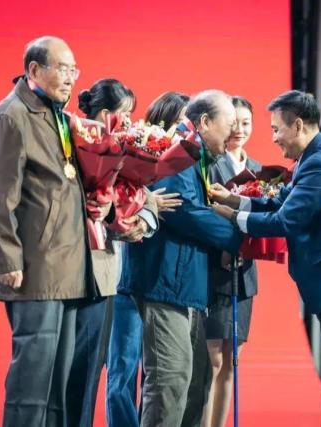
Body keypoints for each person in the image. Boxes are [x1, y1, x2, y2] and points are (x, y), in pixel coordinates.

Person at [210, 90, 321, 427]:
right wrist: (236, 201)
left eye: (276, 129)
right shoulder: (314, 158)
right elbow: (280, 202)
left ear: (297, 125)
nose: (273, 138)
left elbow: (285, 221)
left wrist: (233, 217)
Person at [0, 36, 109, 427]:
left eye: (74, 70)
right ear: (34, 70)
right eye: (62, 69)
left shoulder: (59, 116)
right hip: (34, 269)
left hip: (66, 267)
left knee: (57, 385)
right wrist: (6, 258)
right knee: (31, 380)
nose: (70, 78)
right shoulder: (11, 116)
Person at [121, 89, 243, 427]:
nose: (235, 132)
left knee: (191, 384)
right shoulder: (177, 149)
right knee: (169, 381)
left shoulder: (197, 154)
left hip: (184, 283)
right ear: (205, 122)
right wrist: (239, 236)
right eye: (230, 124)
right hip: (164, 282)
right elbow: (184, 210)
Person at [70, 78, 162, 427]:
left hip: (113, 271)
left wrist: (141, 219)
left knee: (102, 366)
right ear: (107, 113)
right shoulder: (77, 141)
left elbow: (145, 193)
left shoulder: (125, 148)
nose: (129, 121)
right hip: (78, 267)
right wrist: (108, 210)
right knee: (83, 365)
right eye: (125, 114)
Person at [103, 89, 186, 427]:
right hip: (128, 278)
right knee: (123, 366)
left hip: (161, 283)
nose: (185, 132)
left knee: (157, 370)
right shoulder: (137, 153)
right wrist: (147, 203)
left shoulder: (187, 165)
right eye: (180, 124)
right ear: (162, 123)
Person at [202, 96, 261, 427]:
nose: (239, 129)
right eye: (234, 122)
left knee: (232, 360)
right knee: (211, 359)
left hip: (244, 273)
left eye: (246, 123)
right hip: (215, 269)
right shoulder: (210, 163)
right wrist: (226, 245)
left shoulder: (259, 168)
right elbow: (207, 212)